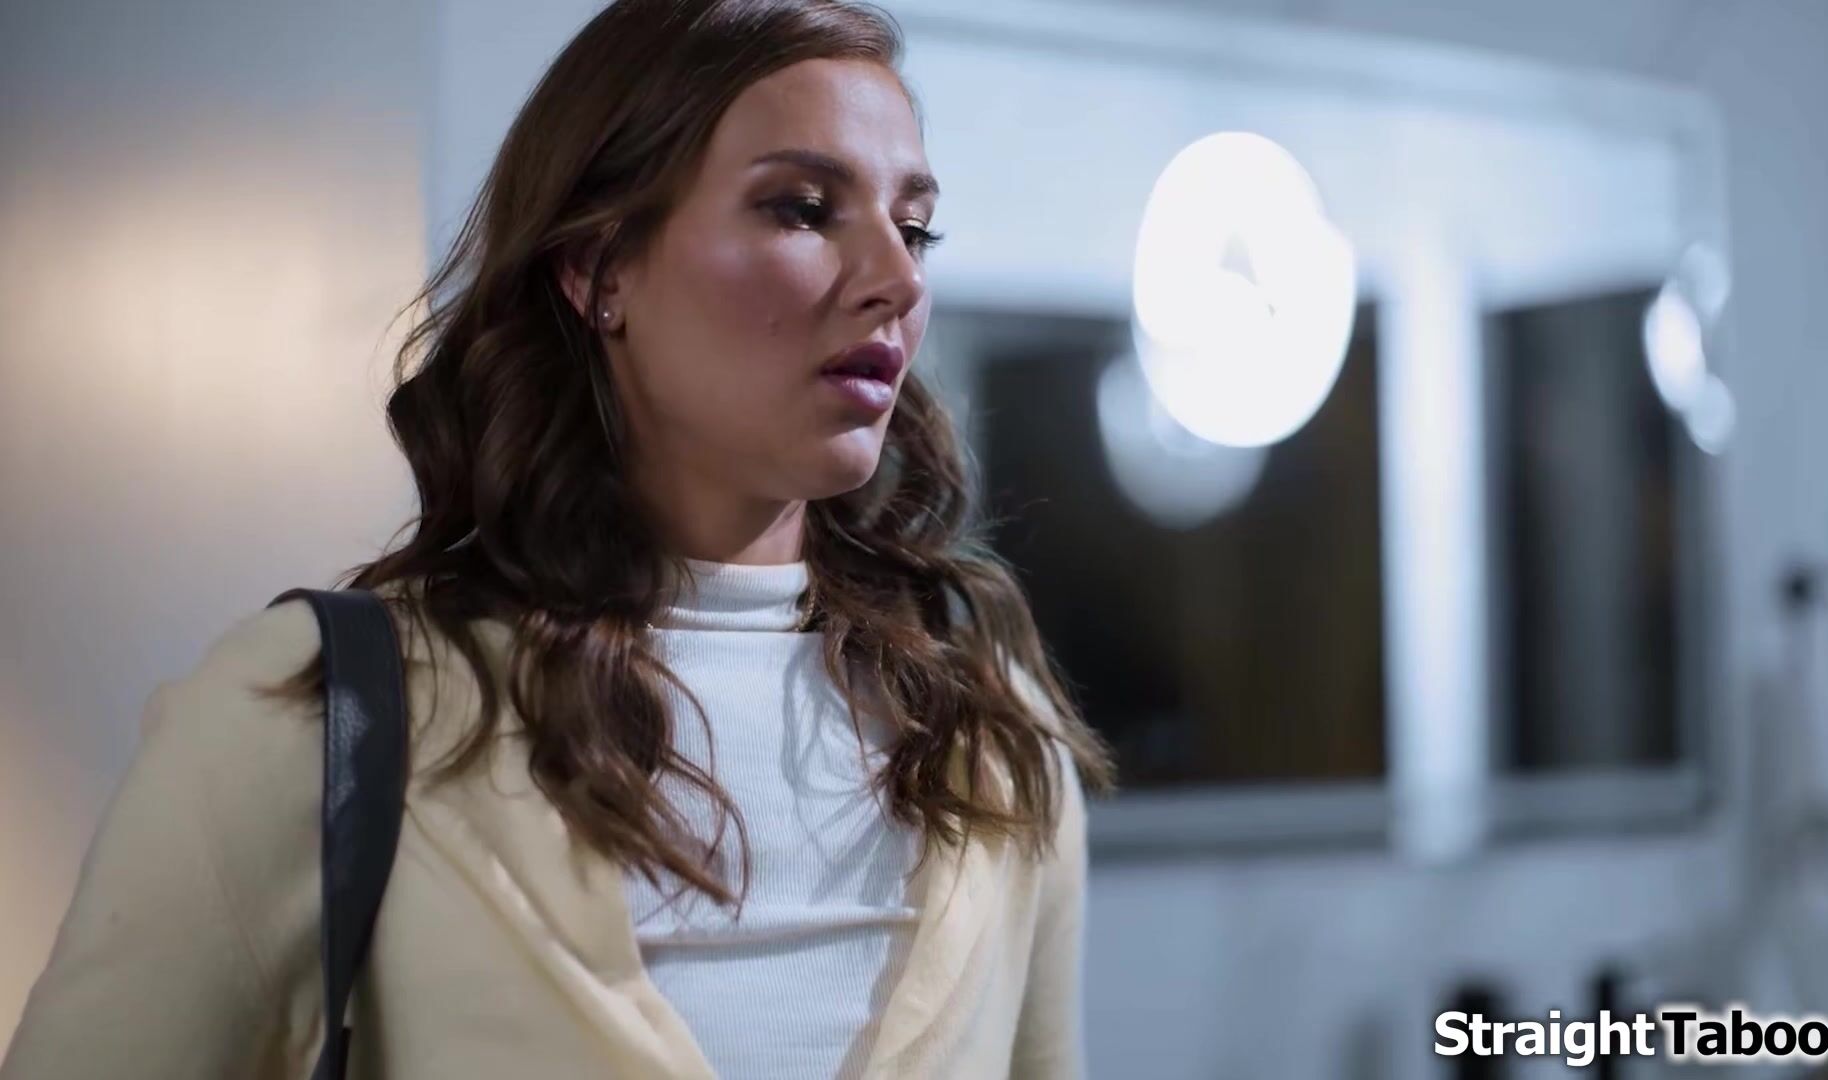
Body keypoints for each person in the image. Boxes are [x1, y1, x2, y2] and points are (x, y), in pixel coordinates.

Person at [0, 1, 1116, 1076]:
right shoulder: (318, 716)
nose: (898, 278)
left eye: (914, 227)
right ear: (598, 268)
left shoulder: (989, 731)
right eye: (803, 209)